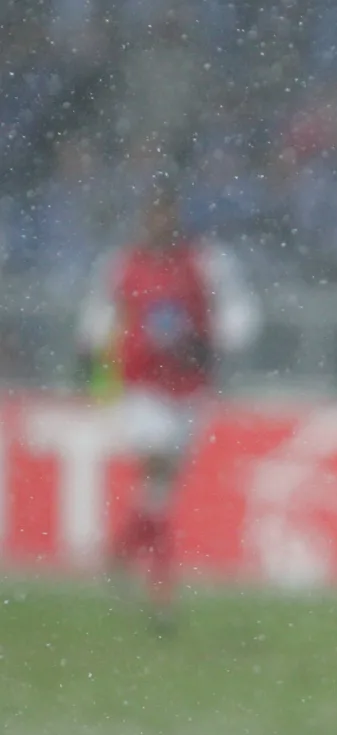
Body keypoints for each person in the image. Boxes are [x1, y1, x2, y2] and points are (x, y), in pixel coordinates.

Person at [77, 179, 261, 629]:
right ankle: (162, 592)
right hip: (142, 387)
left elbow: (240, 314)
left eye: (167, 212)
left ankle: (119, 555)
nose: (160, 221)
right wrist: (93, 354)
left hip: (190, 389)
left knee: (157, 493)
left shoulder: (204, 262)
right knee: (156, 470)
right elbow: (99, 318)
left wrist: (214, 341)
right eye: (153, 213)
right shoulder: (122, 265)